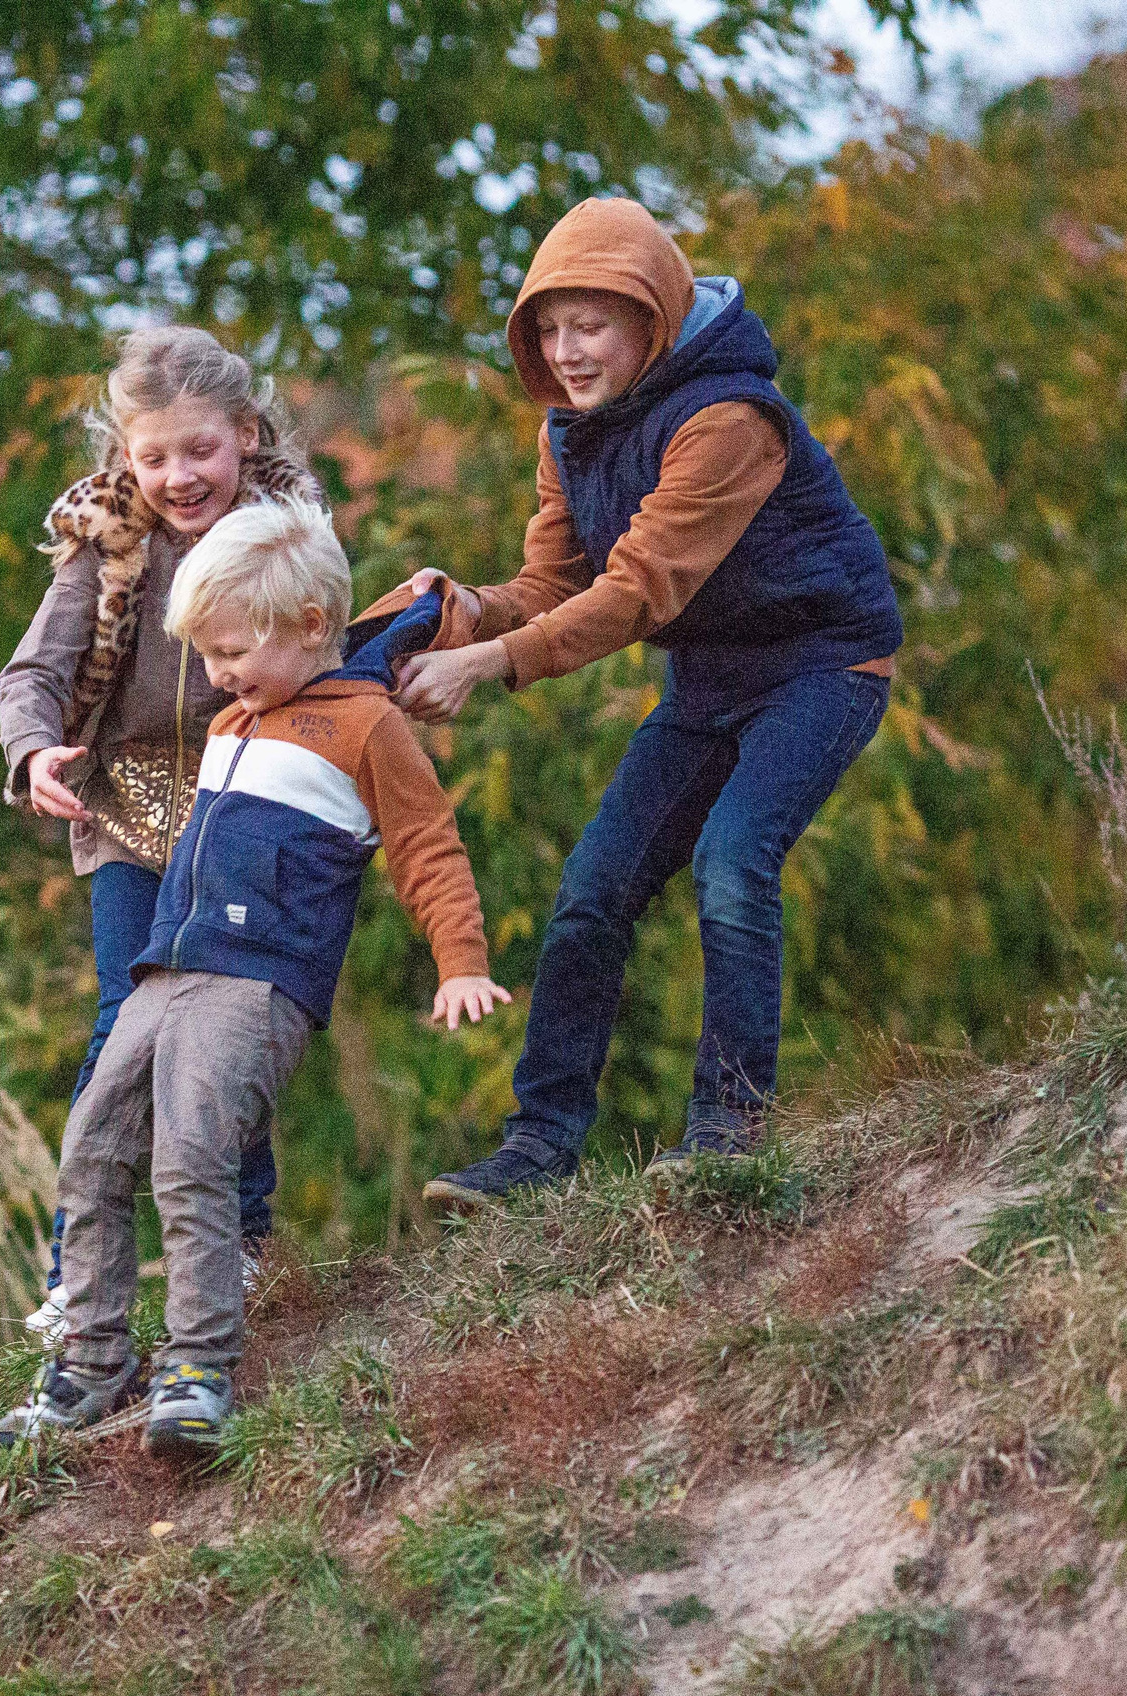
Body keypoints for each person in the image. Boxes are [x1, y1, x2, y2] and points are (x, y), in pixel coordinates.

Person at [388, 196, 902, 1208]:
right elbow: (552, 583)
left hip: (821, 666)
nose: (566, 352)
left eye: (590, 326)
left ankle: (729, 1132)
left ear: (651, 318)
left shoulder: (731, 420)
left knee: (733, 863)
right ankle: (538, 1150)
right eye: (549, 329)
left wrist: (487, 664)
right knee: (593, 887)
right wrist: (462, 610)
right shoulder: (569, 432)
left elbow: (634, 593)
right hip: (707, 678)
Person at [0, 497, 510, 1454]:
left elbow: (428, 845)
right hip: (167, 969)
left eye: (230, 651)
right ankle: (93, 1359)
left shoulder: (365, 726)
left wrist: (460, 961)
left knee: (192, 1157)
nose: (217, 673)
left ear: (309, 626)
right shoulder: (236, 719)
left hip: (257, 985)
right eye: (207, 653)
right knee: (92, 1148)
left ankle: (198, 1366)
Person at [0, 327, 321, 1339]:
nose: (179, 476)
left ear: (246, 435)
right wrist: (33, 750)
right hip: (128, 815)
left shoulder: (285, 544)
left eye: (201, 450)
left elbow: (327, 653)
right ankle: (77, 1271)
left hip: (240, 808)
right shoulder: (108, 552)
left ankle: (242, 1240)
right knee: (123, 1025)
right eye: (154, 456)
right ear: (124, 458)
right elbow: (34, 671)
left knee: (222, 1029)